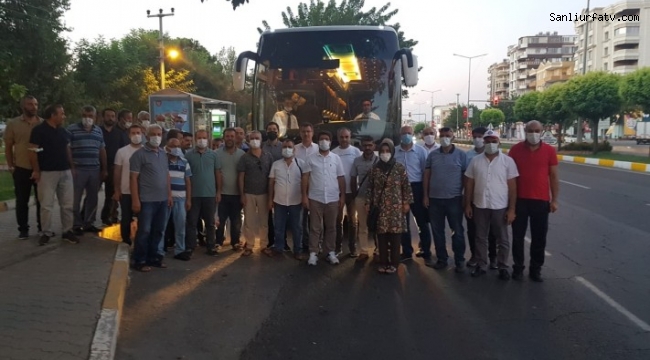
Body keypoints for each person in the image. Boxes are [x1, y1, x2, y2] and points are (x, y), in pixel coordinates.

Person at [508, 120, 559, 282]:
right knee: (517, 237)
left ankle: (536, 269)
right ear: (525, 131)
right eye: (530, 130)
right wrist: (509, 204)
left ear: (542, 131)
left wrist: (554, 200)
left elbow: (553, 176)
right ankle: (518, 268)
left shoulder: (549, 151)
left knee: (539, 238)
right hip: (519, 201)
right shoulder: (515, 150)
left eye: (537, 130)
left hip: (541, 201)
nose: (533, 134)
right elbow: (509, 178)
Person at [464, 130, 518, 280]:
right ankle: (481, 265)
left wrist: (512, 208)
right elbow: (469, 184)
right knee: (480, 237)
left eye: (494, 141)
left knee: (502, 238)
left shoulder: (508, 161)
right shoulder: (475, 161)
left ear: (499, 142)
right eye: (487, 141)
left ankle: (502, 266)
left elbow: (513, 187)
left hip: (500, 206)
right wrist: (467, 204)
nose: (490, 144)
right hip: (480, 205)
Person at [28, 105, 79, 245]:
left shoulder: (63, 131)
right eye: (61, 114)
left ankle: (67, 231)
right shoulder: (39, 131)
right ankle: (46, 232)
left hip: (65, 171)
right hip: (46, 173)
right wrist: (36, 170)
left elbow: (67, 149)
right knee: (46, 205)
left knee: (67, 204)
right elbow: (33, 151)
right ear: (52, 115)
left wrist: (72, 166)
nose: (64, 116)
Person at [423, 127, 467, 272]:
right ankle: (442, 259)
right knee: (437, 231)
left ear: (453, 136)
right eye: (442, 135)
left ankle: (459, 260)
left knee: (457, 231)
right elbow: (427, 176)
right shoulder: (433, 155)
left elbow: (465, 178)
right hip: (435, 200)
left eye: (447, 135)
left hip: (454, 199)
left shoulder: (461, 155)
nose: (444, 138)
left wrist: (464, 197)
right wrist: (425, 195)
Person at [366, 139, 412, 274]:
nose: (385, 154)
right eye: (382, 151)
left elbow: (406, 187)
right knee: (382, 238)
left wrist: (406, 202)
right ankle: (383, 263)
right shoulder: (375, 168)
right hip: (380, 209)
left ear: (392, 152)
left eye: (387, 151)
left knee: (395, 237)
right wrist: (368, 203)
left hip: (396, 208)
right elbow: (370, 187)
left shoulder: (399, 167)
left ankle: (394, 264)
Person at [129, 124, 172, 272]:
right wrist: (135, 199)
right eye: (153, 134)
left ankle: (154, 258)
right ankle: (139, 260)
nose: (157, 137)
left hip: (162, 199)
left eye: (159, 134)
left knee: (159, 230)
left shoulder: (162, 153)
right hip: (146, 200)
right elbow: (133, 179)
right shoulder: (138, 155)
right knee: (144, 231)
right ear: (146, 136)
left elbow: (166, 175)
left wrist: (169, 194)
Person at [301, 131, 345, 266]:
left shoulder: (336, 158)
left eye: (326, 139)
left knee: (331, 227)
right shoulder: (310, 158)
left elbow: (341, 178)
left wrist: (342, 196)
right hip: (315, 198)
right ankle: (313, 253)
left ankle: (330, 252)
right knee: (315, 227)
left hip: (332, 199)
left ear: (330, 142)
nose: (324, 141)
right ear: (318, 141)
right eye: (321, 139)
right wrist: (304, 196)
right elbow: (305, 178)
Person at [3, 95, 42, 239]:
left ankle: (41, 227)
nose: (34, 107)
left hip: (40, 168)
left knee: (41, 200)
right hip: (21, 168)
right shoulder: (13, 124)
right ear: (23, 106)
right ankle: (23, 229)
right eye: (30, 104)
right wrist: (11, 166)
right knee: (22, 201)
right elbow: (8, 147)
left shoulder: (42, 123)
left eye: (36, 104)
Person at [68, 106, 107, 234]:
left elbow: (102, 150)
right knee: (75, 199)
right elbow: (67, 148)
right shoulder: (72, 129)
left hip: (94, 169)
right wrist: (72, 167)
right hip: (78, 169)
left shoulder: (98, 131)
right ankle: (76, 225)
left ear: (95, 117)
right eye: (85, 115)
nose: (87, 118)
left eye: (90, 116)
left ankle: (89, 223)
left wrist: (104, 169)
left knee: (92, 198)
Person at [393, 125, 430, 261]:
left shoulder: (420, 152)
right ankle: (407, 251)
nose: (406, 135)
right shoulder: (395, 151)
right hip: (400, 189)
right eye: (404, 133)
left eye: (409, 133)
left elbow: (425, 172)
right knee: (403, 222)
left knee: (422, 221)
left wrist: (426, 194)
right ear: (400, 134)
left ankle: (426, 250)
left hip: (417, 188)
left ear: (413, 134)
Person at [185, 129, 221, 256]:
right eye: (199, 138)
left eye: (204, 137)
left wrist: (218, 192)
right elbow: (186, 177)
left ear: (208, 139)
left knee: (210, 223)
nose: (202, 140)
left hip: (210, 194)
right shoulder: (188, 155)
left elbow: (217, 174)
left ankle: (211, 246)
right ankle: (190, 246)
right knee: (192, 222)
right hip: (193, 195)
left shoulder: (213, 155)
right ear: (195, 139)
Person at [465, 126, 497, 268]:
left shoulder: (498, 156)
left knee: (493, 231)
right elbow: (466, 179)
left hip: (493, 200)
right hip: (474, 199)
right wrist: (466, 201)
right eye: (475, 137)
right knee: (474, 230)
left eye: (480, 137)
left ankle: (493, 258)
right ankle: (476, 256)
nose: (477, 139)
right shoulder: (468, 156)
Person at [237, 130, 274, 256]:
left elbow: (271, 177)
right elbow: (241, 177)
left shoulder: (268, 156)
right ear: (248, 140)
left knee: (264, 222)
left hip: (264, 193)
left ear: (261, 139)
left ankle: (264, 245)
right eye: (252, 138)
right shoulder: (244, 158)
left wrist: (271, 196)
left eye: (257, 138)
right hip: (249, 193)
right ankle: (249, 246)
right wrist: (242, 194)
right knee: (249, 222)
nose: (254, 140)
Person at [268, 139, 306, 259]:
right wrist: (270, 199)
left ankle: (297, 250)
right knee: (279, 227)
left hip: (296, 201)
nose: (287, 149)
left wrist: (305, 197)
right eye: (284, 147)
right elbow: (271, 183)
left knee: (297, 228)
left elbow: (306, 182)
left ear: (294, 150)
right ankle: (279, 248)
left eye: (289, 147)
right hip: (279, 201)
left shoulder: (301, 164)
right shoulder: (276, 164)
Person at [331, 127, 362, 257]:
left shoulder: (356, 152)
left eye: (346, 137)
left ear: (350, 137)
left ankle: (353, 248)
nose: (344, 139)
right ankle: (338, 248)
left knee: (353, 221)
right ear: (338, 138)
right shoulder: (333, 153)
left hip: (353, 192)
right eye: (341, 137)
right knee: (337, 221)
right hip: (337, 193)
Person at [215, 128, 245, 250]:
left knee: (236, 220)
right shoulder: (216, 153)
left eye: (232, 136)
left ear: (235, 138)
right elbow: (216, 172)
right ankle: (218, 242)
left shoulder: (242, 154)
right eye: (227, 136)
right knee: (220, 220)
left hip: (237, 193)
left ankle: (235, 242)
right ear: (224, 137)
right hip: (222, 193)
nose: (230, 139)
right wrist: (217, 191)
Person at [113, 125, 143, 245]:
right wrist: (117, 190)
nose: (136, 135)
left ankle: (141, 242)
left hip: (144, 192)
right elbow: (117, 172)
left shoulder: (146, 150)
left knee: (143, 219)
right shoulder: (122, 152)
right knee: (126, 218)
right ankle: (125, 241)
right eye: (133, 133)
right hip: (126, 191)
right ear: (129, 135)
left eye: (138, 133)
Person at [164, 138, 193, 261]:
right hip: (165, 199)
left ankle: (180, 250)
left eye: (177, 145)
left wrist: (188, 199)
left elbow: (188, 181)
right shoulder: (163, 161)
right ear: (167, 147)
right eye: (172, 145)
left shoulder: (184, 162)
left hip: (181, 199)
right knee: (162, 227)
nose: (176, 148)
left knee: (180, 227)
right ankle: (159, 251)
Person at [350, 136, 378, 261]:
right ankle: (364, 251)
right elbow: (352, 178)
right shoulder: (356, 161)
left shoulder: (379, 161)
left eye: (370, 145)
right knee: (362, 226)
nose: (367, 147)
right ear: (361, 147)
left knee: (378, 225)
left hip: (376, 199)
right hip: (361, 197)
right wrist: (355, 193)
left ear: (374, 146)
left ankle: (379, 250)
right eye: (365, 145)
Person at [99, 108, 128, 226]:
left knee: (110, 194)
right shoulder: (98, 131)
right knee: (91, 196)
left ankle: (107, 216)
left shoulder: (119, 133)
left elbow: (124, 149)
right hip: (98, 167)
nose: (110, 118)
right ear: (103, 117)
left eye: (112, 116)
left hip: (114, 167)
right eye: (108, 116)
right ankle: (84, 219)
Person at [294, 122, 319, 253]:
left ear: (312, 133)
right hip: (300, 189)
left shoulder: (319, 149)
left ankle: (315, 245)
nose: (306, 134)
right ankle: (304, 244)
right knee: (301, 220)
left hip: (315, 188)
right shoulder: (295, 149)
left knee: (315, 220)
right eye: (303, 131)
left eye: (308, 131)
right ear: (300, 133)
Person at [262, 121, 284, 250]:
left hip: (281, 183)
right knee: (268, 214)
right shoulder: (262, 146)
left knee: (282, 214)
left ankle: (283, 241)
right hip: (267, 184)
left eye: (274, 129)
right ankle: (270, 240)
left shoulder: (283, 146)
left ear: (278, 131)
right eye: (269, 129)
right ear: (266, 131)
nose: (272, 131)